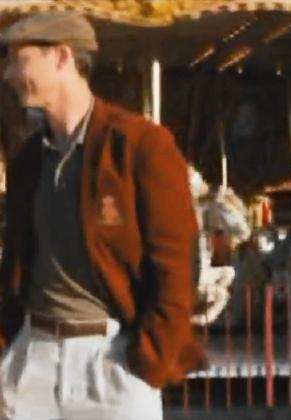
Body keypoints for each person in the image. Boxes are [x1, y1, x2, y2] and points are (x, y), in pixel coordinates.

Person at [0, 12, 206, 419]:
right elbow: (15, 262)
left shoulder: (139, 145)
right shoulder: (28, 160)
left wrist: (149, 359)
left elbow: (177, 262)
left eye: (18, 60)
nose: (7, 74)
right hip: (33, 362)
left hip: (110, 360)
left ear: (62, 57)